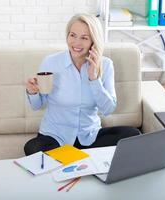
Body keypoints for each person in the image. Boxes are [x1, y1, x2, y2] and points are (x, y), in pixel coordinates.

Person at [24, 13, 140, 156]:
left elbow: (108, 109)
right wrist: (32, 92)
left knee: (132, 135)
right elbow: (36, 105)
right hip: (55, 136)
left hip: (89, 136)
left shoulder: (105, 64)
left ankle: (72, 160)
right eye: (72, 35)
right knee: (32, 148)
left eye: (84, 38)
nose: (76, 43)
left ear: (93, 41)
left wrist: (94, 79)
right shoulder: (51, 62)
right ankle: (85, 161)